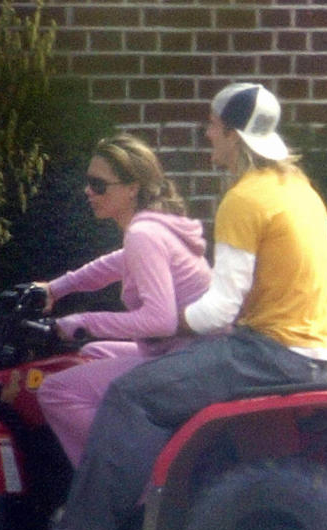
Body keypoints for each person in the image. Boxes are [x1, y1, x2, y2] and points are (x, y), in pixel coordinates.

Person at [15, 82, 327, 530]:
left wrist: (155, 327)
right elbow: (122, 261)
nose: (207, 134)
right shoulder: (299, 189)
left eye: (212, 126)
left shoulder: (245, 199)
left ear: (232, 134)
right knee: (110, 365)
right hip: (314, 353)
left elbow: (219, 310)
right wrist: (61, 290)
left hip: (265, 353)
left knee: (130, 392)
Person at [35, 134, 211, 468]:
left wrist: (83, 322)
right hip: (188, 353)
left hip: (184, 359)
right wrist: (54, 289)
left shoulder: (145, 234)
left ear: (132, 188)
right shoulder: (153, 228)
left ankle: (135, 472)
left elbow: (160, 321)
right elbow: (112, 265)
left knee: (57, 391)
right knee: (89, 354)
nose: (88, 192)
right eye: (88, 183)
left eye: (99, 185)